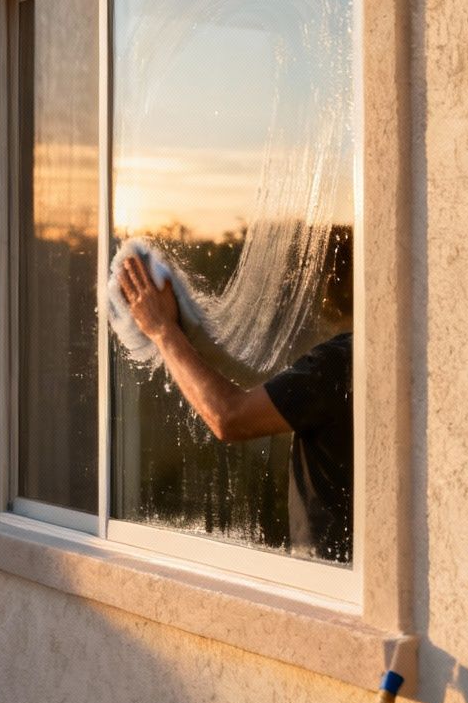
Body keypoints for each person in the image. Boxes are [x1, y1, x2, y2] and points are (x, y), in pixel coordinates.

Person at [115, 228, 352, 563]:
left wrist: (163, 330)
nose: (300, 281)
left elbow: (230, 416)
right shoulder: (378, 359)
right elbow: (255, 383)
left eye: (309, 267)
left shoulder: (341, 364)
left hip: (329, 577)